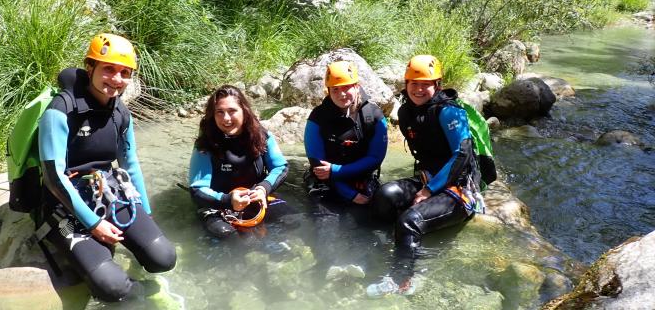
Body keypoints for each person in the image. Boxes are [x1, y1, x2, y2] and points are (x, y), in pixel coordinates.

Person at [38, 33, 176, 302]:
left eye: (125, 73)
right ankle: (139, 294)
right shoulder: (60, 111)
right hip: (63, 205)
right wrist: (94, 224)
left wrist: (146, 212)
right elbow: (53, 177)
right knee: (113, 288)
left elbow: (130, 163)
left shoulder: (120, 112)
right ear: (90, 68)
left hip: (106, 191)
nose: (117, 79)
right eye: (108, 69)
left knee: (163, 257)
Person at [367, 55, 484, 297]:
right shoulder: (407, 112)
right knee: (384, 195)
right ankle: (390, 247)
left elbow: (461, 156)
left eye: (425, 84)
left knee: (409, 220)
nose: (419, 89)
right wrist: (425, 185)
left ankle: (401, 280)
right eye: (414, 84)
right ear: (406, 84)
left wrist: (429, 191)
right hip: (428, 178)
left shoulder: (451, 113)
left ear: (437, 85)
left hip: (460, 187)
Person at [302, 60, 388, 280]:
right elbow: (319, 167)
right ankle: (327, 264)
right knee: (326, 219)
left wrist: (340, 173)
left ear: (357, 86)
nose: (342, 94)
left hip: (359, 176)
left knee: (361, 218)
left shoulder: (373, 116)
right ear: (328, 90)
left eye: (347, 87)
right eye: (335, 89)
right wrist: (348, 193)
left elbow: (375, 158)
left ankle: (363, 264)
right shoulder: (318, 118)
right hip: (326, 182)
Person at [188, 85, 290, 239]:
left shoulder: (261, 136)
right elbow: (197, 190)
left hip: (256, 197)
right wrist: (228, 200)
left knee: (293, 221)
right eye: (220, 112)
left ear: (244, 111)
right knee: (232, 238)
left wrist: (263, 188)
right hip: (218, 204)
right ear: (213, 115)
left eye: (232, 111)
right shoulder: (205, 145)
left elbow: (281, 167)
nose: (226, 119)